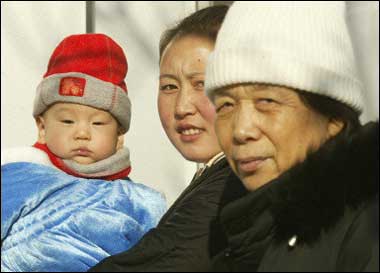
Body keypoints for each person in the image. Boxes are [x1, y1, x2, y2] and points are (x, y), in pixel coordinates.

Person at [205, 2, 379, 272]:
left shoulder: (367, 229)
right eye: (226, 105)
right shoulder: (241, 236)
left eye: (267, 101)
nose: (241, 130)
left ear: (334, 119)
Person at [1, 33, 166, 272]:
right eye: (67, 121)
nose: (82, 134)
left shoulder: (138, 202)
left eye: (97, 123)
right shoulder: (19, 174)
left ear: (119, 136)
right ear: (42, 128)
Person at [89, 5, 234, 272]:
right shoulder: (216, 174)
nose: (182, 107)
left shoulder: (233, 188)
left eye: (201, 84)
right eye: (169, 86)